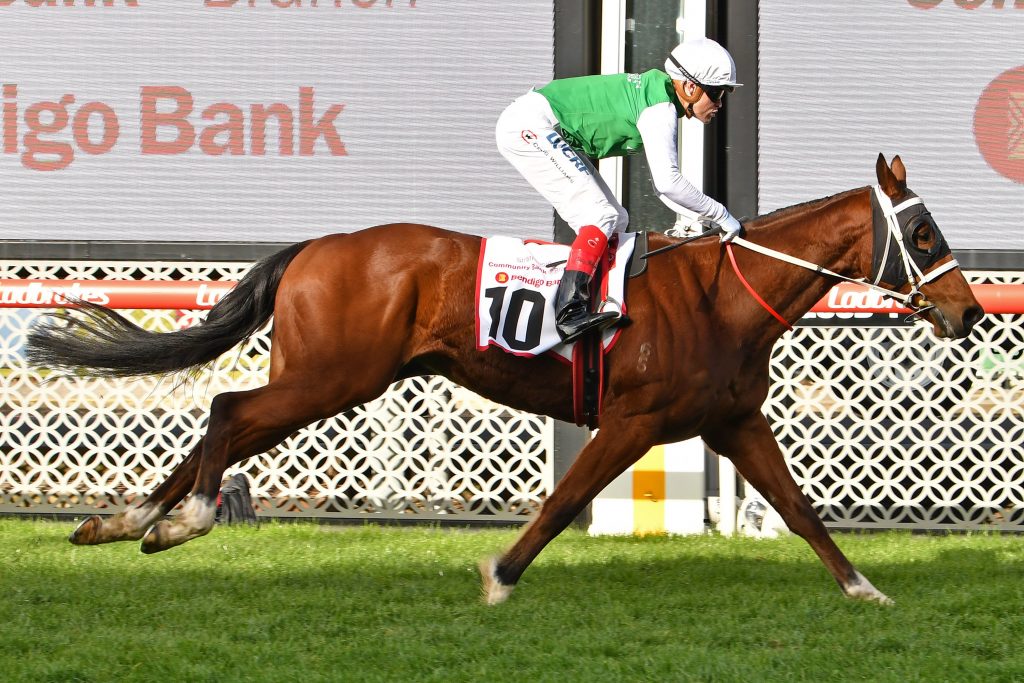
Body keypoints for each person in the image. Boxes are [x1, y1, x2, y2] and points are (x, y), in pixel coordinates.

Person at [495, 37, 743, 343]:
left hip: (539, 124)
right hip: (530, 125)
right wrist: (721, 215)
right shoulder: (660, 109)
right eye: (716, 93)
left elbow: (664, 189)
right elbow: (667, 183)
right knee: (600, 215)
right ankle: (568, 313)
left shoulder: (661, 97)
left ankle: (601, 300)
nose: (719, 104)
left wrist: (699, 218)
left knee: (616, 218)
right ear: (690, 87)